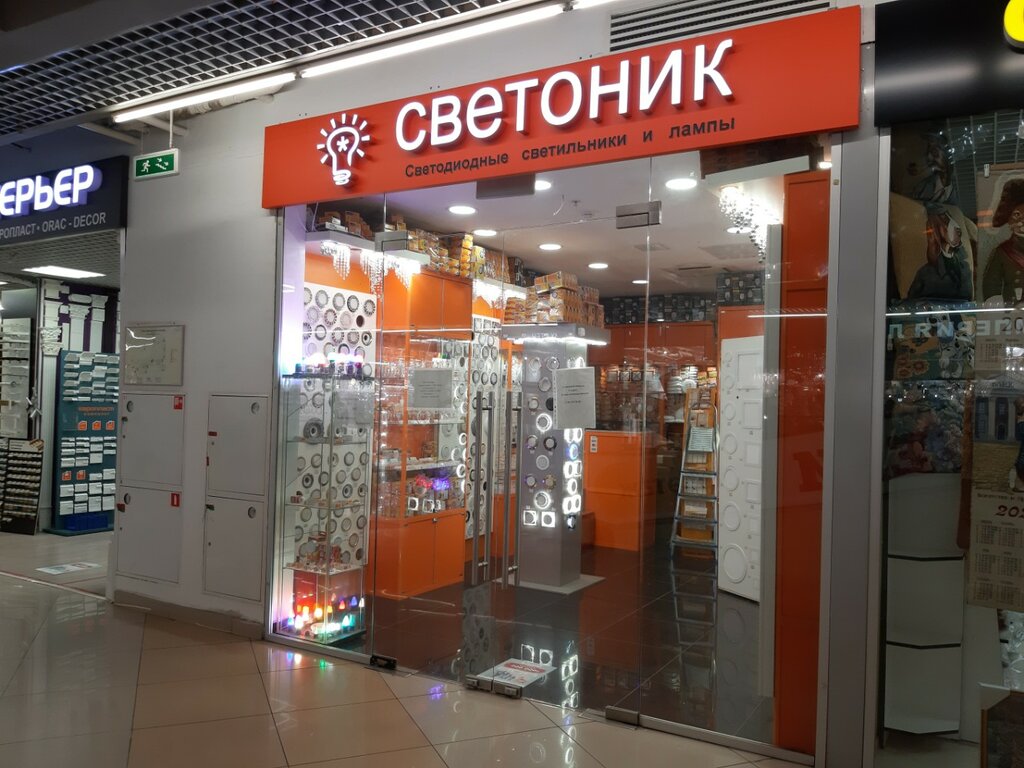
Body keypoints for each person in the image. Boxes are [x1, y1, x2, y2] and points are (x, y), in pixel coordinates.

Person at [906, 205, 973, 300]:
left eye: (950, 218)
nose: (957, 228)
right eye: (945, 220)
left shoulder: (965, 269)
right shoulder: (925, 274)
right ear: (935, 229)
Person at [983, 178, 1024, 303]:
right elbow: (991, 286)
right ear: (1009, 218)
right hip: (1011, 311)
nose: (1022, 220)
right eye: (1017, 214)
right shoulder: (1002, 252)